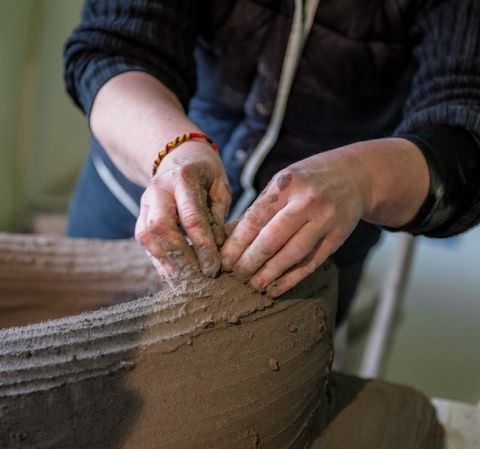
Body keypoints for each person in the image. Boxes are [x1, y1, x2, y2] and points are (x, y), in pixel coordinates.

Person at [64, 0, 480, 323]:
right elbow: (112, 48)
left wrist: (362, 177)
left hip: (313, 247)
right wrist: (174, 152)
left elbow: (465, 130)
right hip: (137, 200)